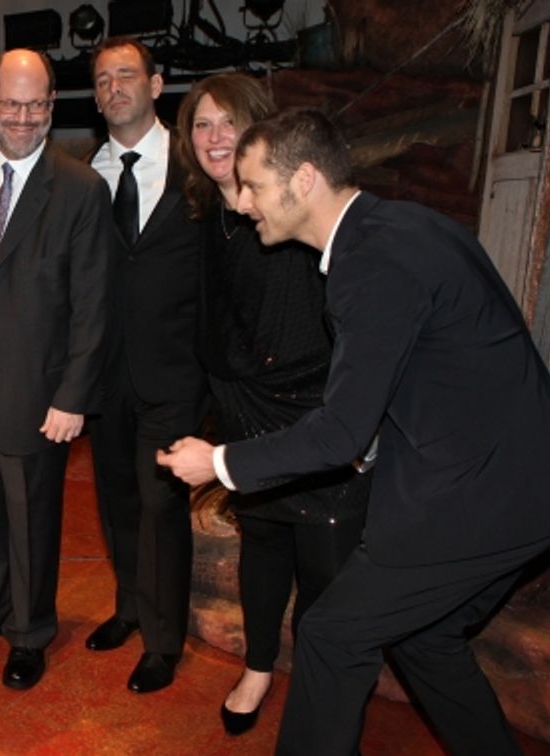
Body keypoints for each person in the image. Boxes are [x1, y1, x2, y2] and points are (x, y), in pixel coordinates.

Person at [158, 108, 550, 755]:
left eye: (251, 185)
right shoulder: (395, 229)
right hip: (530, 481)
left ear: (303, 180)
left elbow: (340, 434)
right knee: (425, 638)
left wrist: (220, 461)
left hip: (492, 495)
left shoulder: (372, 264)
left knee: (332, 636)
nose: (242, 202)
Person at [171, 74, 372, 733]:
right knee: (262, 544)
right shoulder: (204, 219)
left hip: (311, 406)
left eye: (229, 121)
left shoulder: (291, 208)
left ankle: (322, 696)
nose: (216, 136)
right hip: (240, 406)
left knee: (325, 559)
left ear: (259, 128)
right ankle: (258, 668)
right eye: (202, 124)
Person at [0, 48, 115, 691]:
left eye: (36, 105)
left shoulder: (81, 188)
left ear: (52, 106)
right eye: (10, 103)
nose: (23, 117)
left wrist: (73, 397)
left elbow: (95, 305)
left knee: (31, 514)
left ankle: (31, 631)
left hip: (37, 388)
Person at [83, 37, 208, 694]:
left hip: (174, 374)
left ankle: (163, 640)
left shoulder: (194, 168)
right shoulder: (86, 174)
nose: (113, 89)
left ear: (157, 85)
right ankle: (129, 608)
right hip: (106, 376)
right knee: (118, 501)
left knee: (162, 504)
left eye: (126, 75)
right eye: (102, 80)